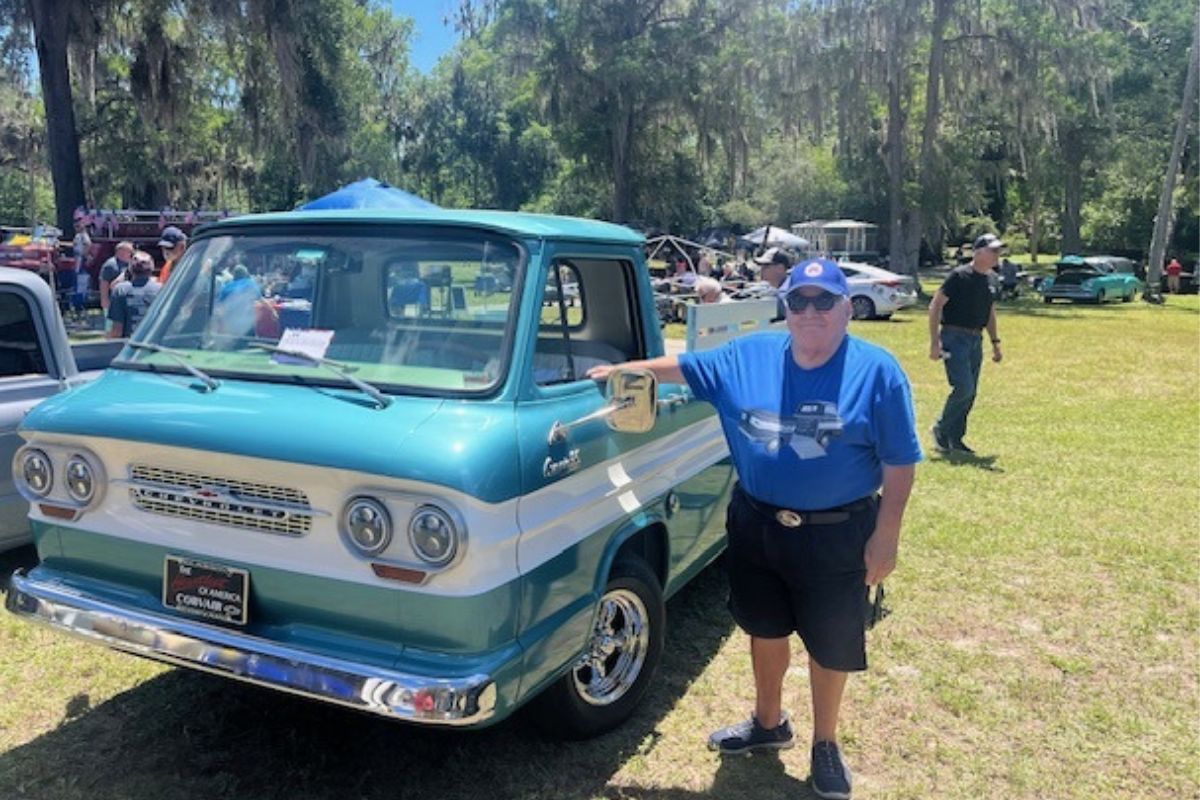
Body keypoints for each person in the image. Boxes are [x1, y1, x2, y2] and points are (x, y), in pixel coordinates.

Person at [587, 258, 920, 800]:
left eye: (824, 301)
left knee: (830, 645)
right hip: (757, 521)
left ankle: (826, 744)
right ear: (785, 307)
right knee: (764, 628)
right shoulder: (748, 355)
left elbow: (900, 462)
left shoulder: (878, 372)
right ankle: (768, 724)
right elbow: (685, 368)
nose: (811, 312)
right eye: (799, 301)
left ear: (845, 308)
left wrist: (887, 536)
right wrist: (622, 375)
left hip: (838, 532)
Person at [927, 233, 1005, 454]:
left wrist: (995, 342)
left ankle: (955, 437)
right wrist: (935, 342)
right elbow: (935, 306)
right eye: (993, 251)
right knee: (963, 387)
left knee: (971, 392)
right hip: (954, 337)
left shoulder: (991, 279)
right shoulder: (959, 276)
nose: (997, 255)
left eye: (999, 251)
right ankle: (940, 429)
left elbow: (989, 311)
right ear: (978, 252)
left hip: (975, 339)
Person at [108, 252, 162, 339]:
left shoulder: (120, 290)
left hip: (129, 347)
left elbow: (117, 330)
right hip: (154, 343)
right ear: (152, 268)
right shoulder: (162, 289)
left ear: (130, 269)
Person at [99, 241, 134, 333]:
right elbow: (104, 283)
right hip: (111, 301)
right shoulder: (110, 265)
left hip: (123, 300)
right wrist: (104, 300)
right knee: (110, 327)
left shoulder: (129, 264)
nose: (131, 254)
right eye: (129, 252)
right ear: (121, 251)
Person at [754, 247, 792, 320]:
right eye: (761, 266)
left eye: (766, 266)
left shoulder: (788, 292)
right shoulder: (775, 288)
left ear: (780, 268)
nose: (761, 270)